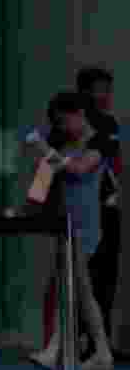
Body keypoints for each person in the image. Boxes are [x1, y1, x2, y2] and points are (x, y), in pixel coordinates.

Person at [27, 91, 114, 370]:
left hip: (86, 227)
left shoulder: (99, 143)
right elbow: (41, 183)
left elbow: (79, 169)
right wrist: (24, 208)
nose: (63, 128)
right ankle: (100, 352)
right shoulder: (62, 145)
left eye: (65, 121)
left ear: (79, 115)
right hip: (66, 226)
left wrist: (42, 146)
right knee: (81, 292)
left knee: (74, 290)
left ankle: (58, 350)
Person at [76, 67, 121, 354]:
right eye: (100, 89)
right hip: (84, 211)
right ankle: (81, 342)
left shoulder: (110, 123)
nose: (106, 96)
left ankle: (99, 344)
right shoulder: (77, 126)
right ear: (85, 92)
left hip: (106, 210)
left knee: (105, 279)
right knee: (85, 280)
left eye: (108, 90)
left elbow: (114, 167)